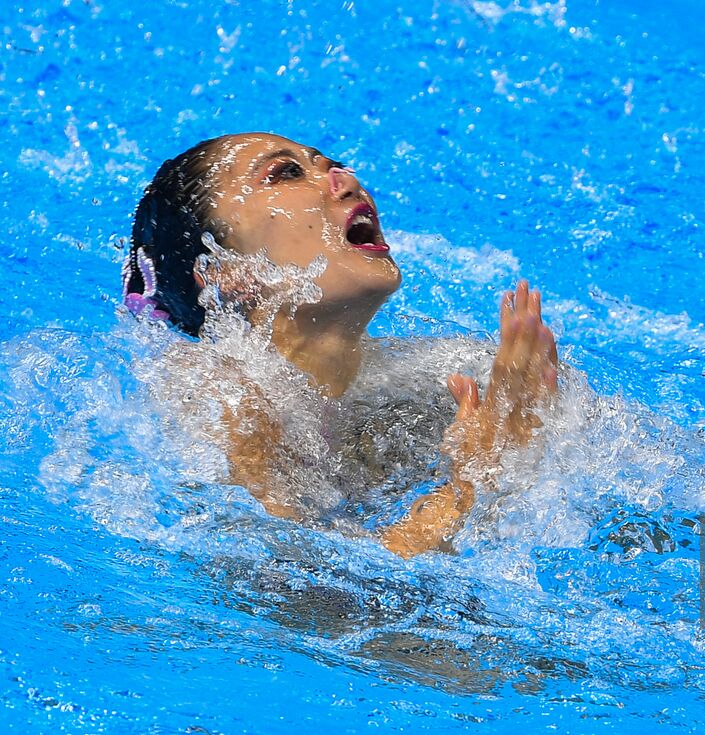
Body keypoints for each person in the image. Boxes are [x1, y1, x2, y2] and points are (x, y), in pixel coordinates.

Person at [121, 132, 559, 557]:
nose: (346, 179)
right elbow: (299, 591)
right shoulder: (223, 396)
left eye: (331, 165)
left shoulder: (441, 373)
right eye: (285, 173)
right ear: (226, 273)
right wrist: (469, 484)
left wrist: (531, 429)